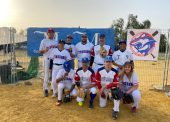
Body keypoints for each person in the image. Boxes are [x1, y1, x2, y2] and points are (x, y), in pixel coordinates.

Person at [37, 28, 58, 97]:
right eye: (49, 32)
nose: (51, 33)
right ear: (47, 33)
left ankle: (52, 87)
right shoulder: (44, 41)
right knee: (46, 75)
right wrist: (44, 50)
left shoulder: (55, 42)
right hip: (47, 59)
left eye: (52, 32)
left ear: (54, 34)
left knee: (53, 74)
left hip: (54, 60)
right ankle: (45, 89)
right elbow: (39, 51)